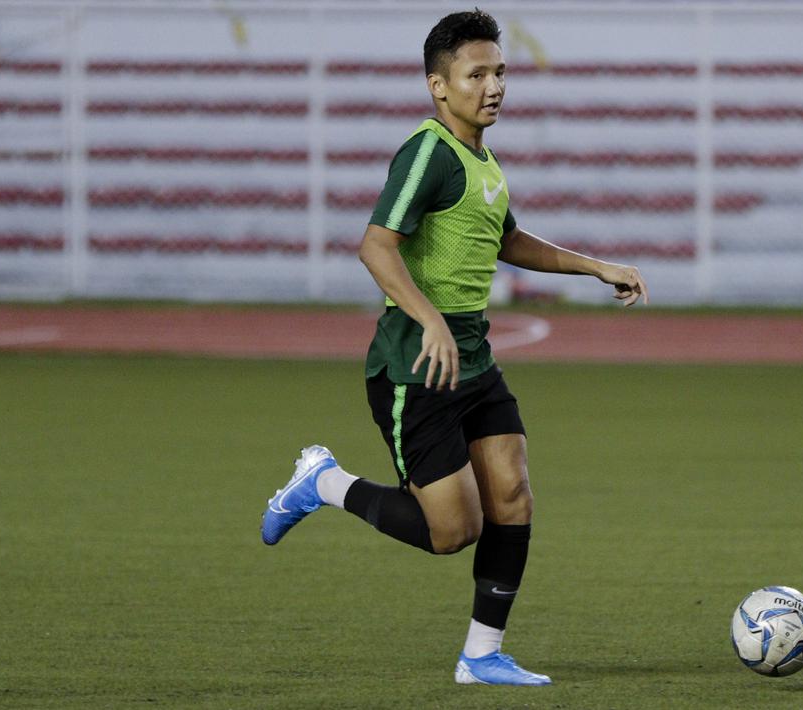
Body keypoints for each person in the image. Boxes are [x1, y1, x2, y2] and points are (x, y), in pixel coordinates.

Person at [260, 8, 648, 687]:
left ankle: (481, 655)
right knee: (449, 533)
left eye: (499, 71)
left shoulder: (482, 158)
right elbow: (375, 245)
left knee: (514, 495)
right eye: (476, 74)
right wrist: (429, 319)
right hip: (415, 366)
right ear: (439, 86)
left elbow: (507, 239)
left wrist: (595, 266)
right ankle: (323, 482)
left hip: (474, 360)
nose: (493, 85)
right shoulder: (429, 152)